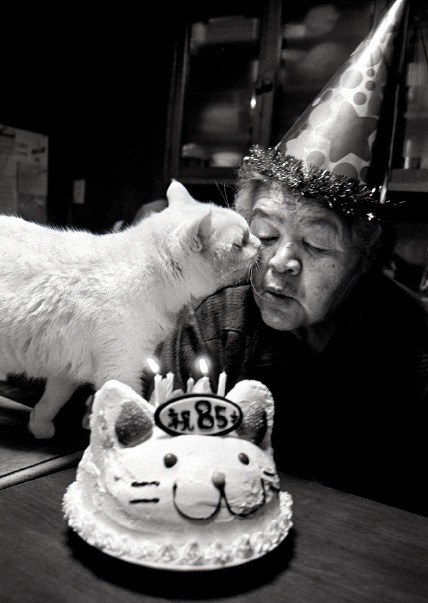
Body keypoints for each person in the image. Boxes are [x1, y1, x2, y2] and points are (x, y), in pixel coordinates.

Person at [143, 0, 428, 516]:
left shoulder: (416, 349)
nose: (280, 262)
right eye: (266, 234)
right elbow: (153, 436)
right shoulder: (217, 322)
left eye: (316, 244)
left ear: (365, 259)